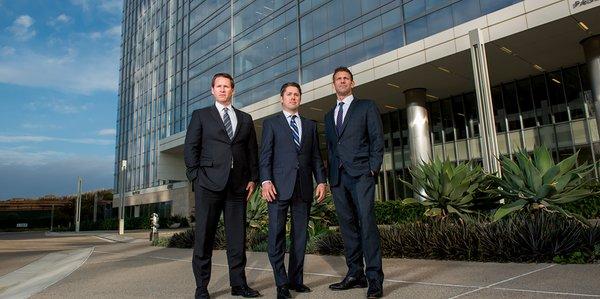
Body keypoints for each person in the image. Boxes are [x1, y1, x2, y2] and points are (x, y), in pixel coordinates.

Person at [184, 73, 260, 299]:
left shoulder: (245, 118)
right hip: (208, 184)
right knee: (204, 238)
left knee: (237, 239)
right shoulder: (201, 116)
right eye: (219, 86)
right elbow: (191, 148)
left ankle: (239, 285)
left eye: (227, 86)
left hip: (237, 188)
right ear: (212, 90)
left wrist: (252, 178)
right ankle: (201, 287)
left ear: (233, 90)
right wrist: (195, 176)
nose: (223, 89)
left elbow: (251, 152)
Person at [259, 82, 327, 299]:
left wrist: (321, 181)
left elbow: (316, 156)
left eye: (296, 94)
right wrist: (266, 181)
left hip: (303, 186)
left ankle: (296, 280)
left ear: (300, 98)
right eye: (289, 94)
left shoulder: (309, 125)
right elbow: (265, 156)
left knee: (300, 237)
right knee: (277, 235)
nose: (293, 97)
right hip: (277, 188)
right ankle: (281, 283)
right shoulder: (271, 123)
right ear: (282, 98)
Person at [324, 67, 385, 298]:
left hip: (361, 175)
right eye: (338, 79)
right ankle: (355, 274)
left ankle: (374, 280)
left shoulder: (366, 106)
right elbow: (331, 147)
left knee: (367, 225)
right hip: (339, 179)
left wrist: (373, 168)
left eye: (345, 78)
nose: (342, 81)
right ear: (333, 85)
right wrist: (331, 177)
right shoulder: (329, 115)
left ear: (353, 83)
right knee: (347, 227)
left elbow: (377, 139)